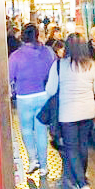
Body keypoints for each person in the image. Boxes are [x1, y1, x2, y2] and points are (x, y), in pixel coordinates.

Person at [45, 33, 95, 189]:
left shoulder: (59, 65)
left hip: (67, 114)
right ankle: (82, 175)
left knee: (71, 147)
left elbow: (50, 90)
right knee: (83, 145)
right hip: (87, 112)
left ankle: (81, 184)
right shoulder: (92, 65)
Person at [9, 23, 56, 177]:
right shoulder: (48, 52)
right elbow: (54, 70)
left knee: (27, 130)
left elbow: (9, 77)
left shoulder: (16, 56)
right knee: (41, 131)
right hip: (44, 96)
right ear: (37, 35)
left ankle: (32, 160)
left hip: (24, 98)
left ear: (22, 36)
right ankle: (44, 166)